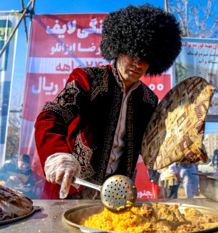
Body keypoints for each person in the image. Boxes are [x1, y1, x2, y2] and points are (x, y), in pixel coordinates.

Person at [34, 4, 182, 199]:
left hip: (116, 194)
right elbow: (51, 117)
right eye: (132, 53)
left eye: (145, 57)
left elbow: (152, 145)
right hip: (71, 188)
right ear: (118, 48)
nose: (137, 63)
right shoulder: (87, 79)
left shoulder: (148, 100)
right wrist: (57, 155)